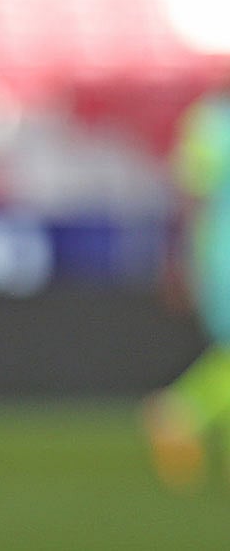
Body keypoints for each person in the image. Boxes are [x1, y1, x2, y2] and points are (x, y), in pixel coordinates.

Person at [144, 74, 230, 491]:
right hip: (221, 255)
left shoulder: (208, 121)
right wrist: (180, 259)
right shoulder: (212, 122)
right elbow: (192, 195)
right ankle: (183, 410)